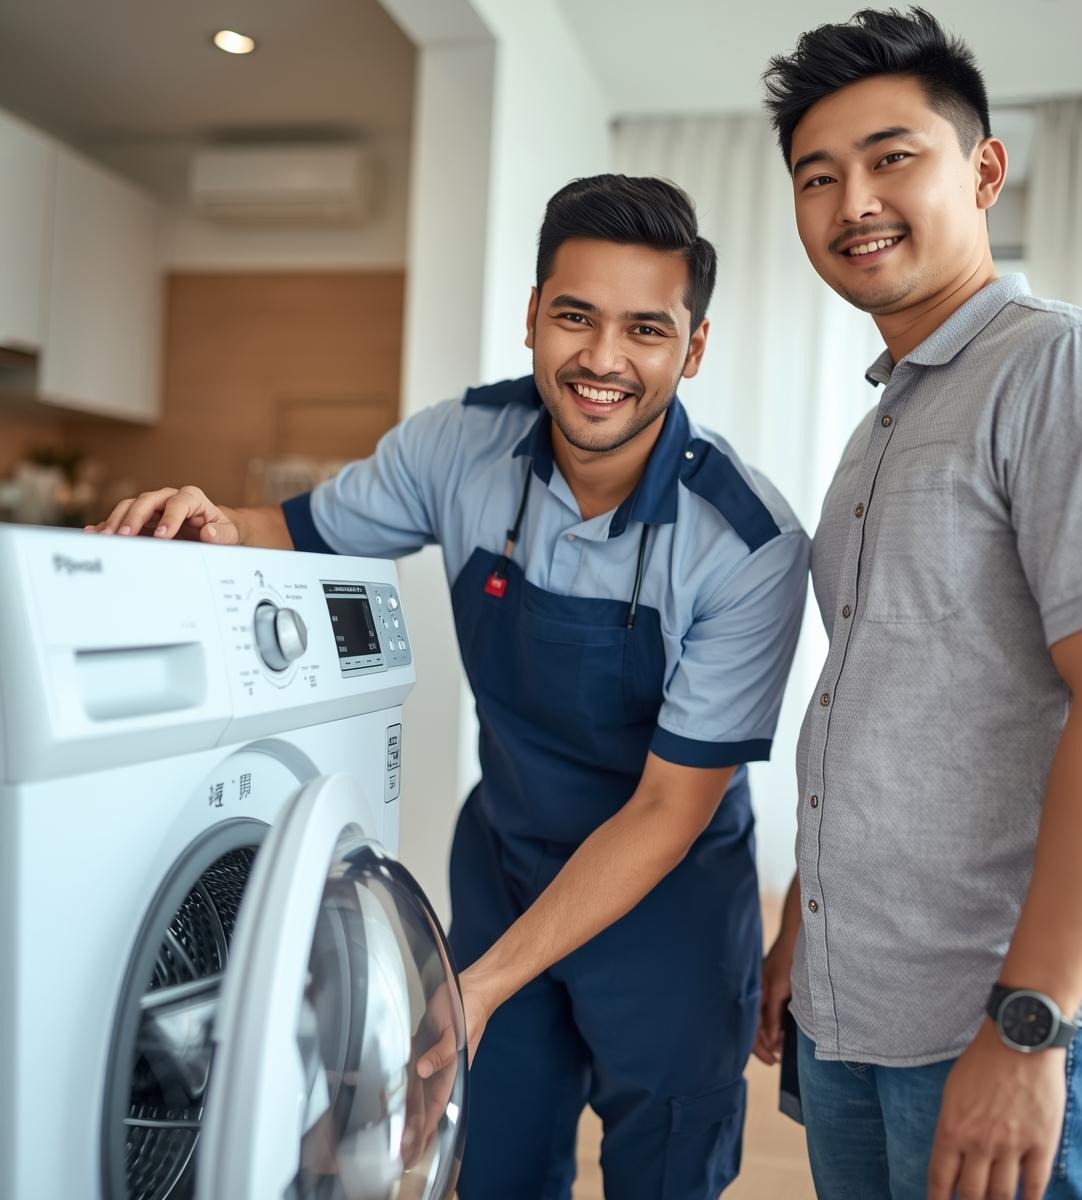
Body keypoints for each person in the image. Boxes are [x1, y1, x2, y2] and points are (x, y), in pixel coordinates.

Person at [88, 174, 809, 1198]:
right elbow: (294, 532)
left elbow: (666, 810)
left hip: (669, 903)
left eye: (645, 330)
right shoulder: (456, 446)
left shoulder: (747, 546)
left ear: (691, 350)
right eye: (575, 316)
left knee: (667, 1173)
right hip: (506, 862)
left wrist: (478, 986)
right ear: (530, 319)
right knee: (493, 1158)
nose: (603, 360)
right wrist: (208, 517)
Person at [752, 9, 1082, 1200]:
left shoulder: (1065, 367)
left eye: (893, 158)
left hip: (1000, 1005)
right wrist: (805, 921)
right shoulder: (885, 420)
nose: (853, 202)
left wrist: (1033, 1022)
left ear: (984, 171)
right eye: (818, 176)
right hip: (862, 1000)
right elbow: (880, 699)